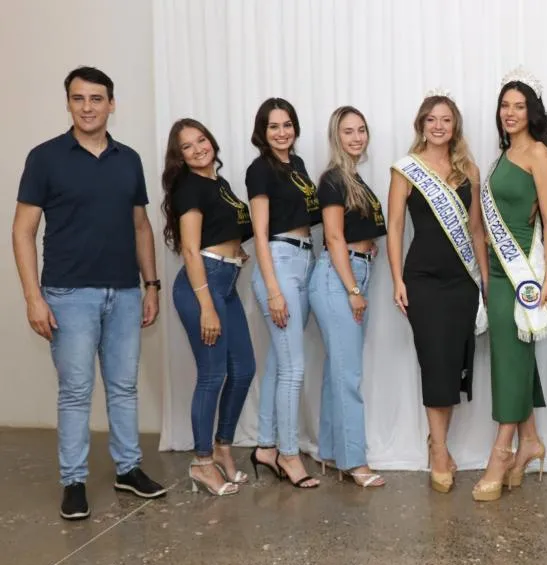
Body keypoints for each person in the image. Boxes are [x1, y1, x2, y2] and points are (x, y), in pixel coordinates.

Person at [12, 66, 166, 520]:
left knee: (123, 387)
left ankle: (128, 469)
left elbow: (141, 226)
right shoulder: (45, 158)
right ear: (68, 103)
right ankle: (73, 481)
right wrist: (33, 297)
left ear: (111, 104)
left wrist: (151, 285)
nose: (87, 107)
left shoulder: (128, 159)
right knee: (76, 391)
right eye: (78, 98)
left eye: (96, 99)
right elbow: (22, 232)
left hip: (125, 292)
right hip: (68, 295)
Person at [387, 91, 489, 493]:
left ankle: (438, 442)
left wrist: (484, 279)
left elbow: (476, 230)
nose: (438, 126)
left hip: (462, 281)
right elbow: (396, 227)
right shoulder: (406, 170)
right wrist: (397, 279)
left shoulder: (470, 171)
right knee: (434, 362)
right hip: (423, 280)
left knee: (454, 363)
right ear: (421, 125)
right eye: (431, 119)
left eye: (445, 120)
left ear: (455, 126)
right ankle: (440, 451)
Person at [473, 68, 547, 502]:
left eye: (519, 106)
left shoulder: (538, 154)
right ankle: (531, 441)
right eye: (505, 106)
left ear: (532, 112)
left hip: (522, 269)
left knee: (510, 357)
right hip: (498, 269)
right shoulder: (502, 156)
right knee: (514, 353)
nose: (510, 113)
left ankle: (501, 452)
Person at [162, 118, 255, 497]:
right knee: (212, 375)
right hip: (202, 286)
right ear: (180, 157)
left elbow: (222, 229)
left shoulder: (219, 184)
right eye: (187, 146)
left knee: (244, 369)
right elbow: (189, 248)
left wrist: (237, 250)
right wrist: (206, 306)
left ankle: (221, 449)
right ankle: (201, 463)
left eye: (201, 140)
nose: (198, 148)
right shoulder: (189, 187)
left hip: (225, 282)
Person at [310, 106, 387, 488]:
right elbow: (334, 236)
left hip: (355, 271)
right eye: (348, 131)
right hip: (338, 280)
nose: (356, 137)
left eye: (361, 130)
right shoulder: (333, 180)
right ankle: (354, 461)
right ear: (335, 136)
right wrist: (353, 289)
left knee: (337, 371)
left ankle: (330, 451)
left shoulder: (354, 178)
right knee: (348, 375)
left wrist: (367, 251)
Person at [246, 98, 321, 489]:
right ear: (263, 131)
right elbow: (259, 234)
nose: (281, 132)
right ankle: (289, 455)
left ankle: (265, 445)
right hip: (279, 262)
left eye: (287, 124)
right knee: (293, 368)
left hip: (305, 260)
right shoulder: (260, 169)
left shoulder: (299, 165)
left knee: (280, 361)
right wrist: (273, 289)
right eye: (273, 126)